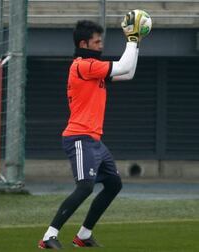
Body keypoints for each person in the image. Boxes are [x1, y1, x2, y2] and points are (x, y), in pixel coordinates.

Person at [38, 11, 147, 249]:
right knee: (85, 186)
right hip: (79, 136)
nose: (100, 46)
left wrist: (135, 42)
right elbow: (124, 65)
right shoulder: (83, 65)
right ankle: (49, 236)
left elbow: (128, 73)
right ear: (83, 44)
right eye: (97, 42)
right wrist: (132, 38)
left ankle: (84, 235)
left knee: (114, 184)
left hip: (94, 140)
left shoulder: (91, 67)